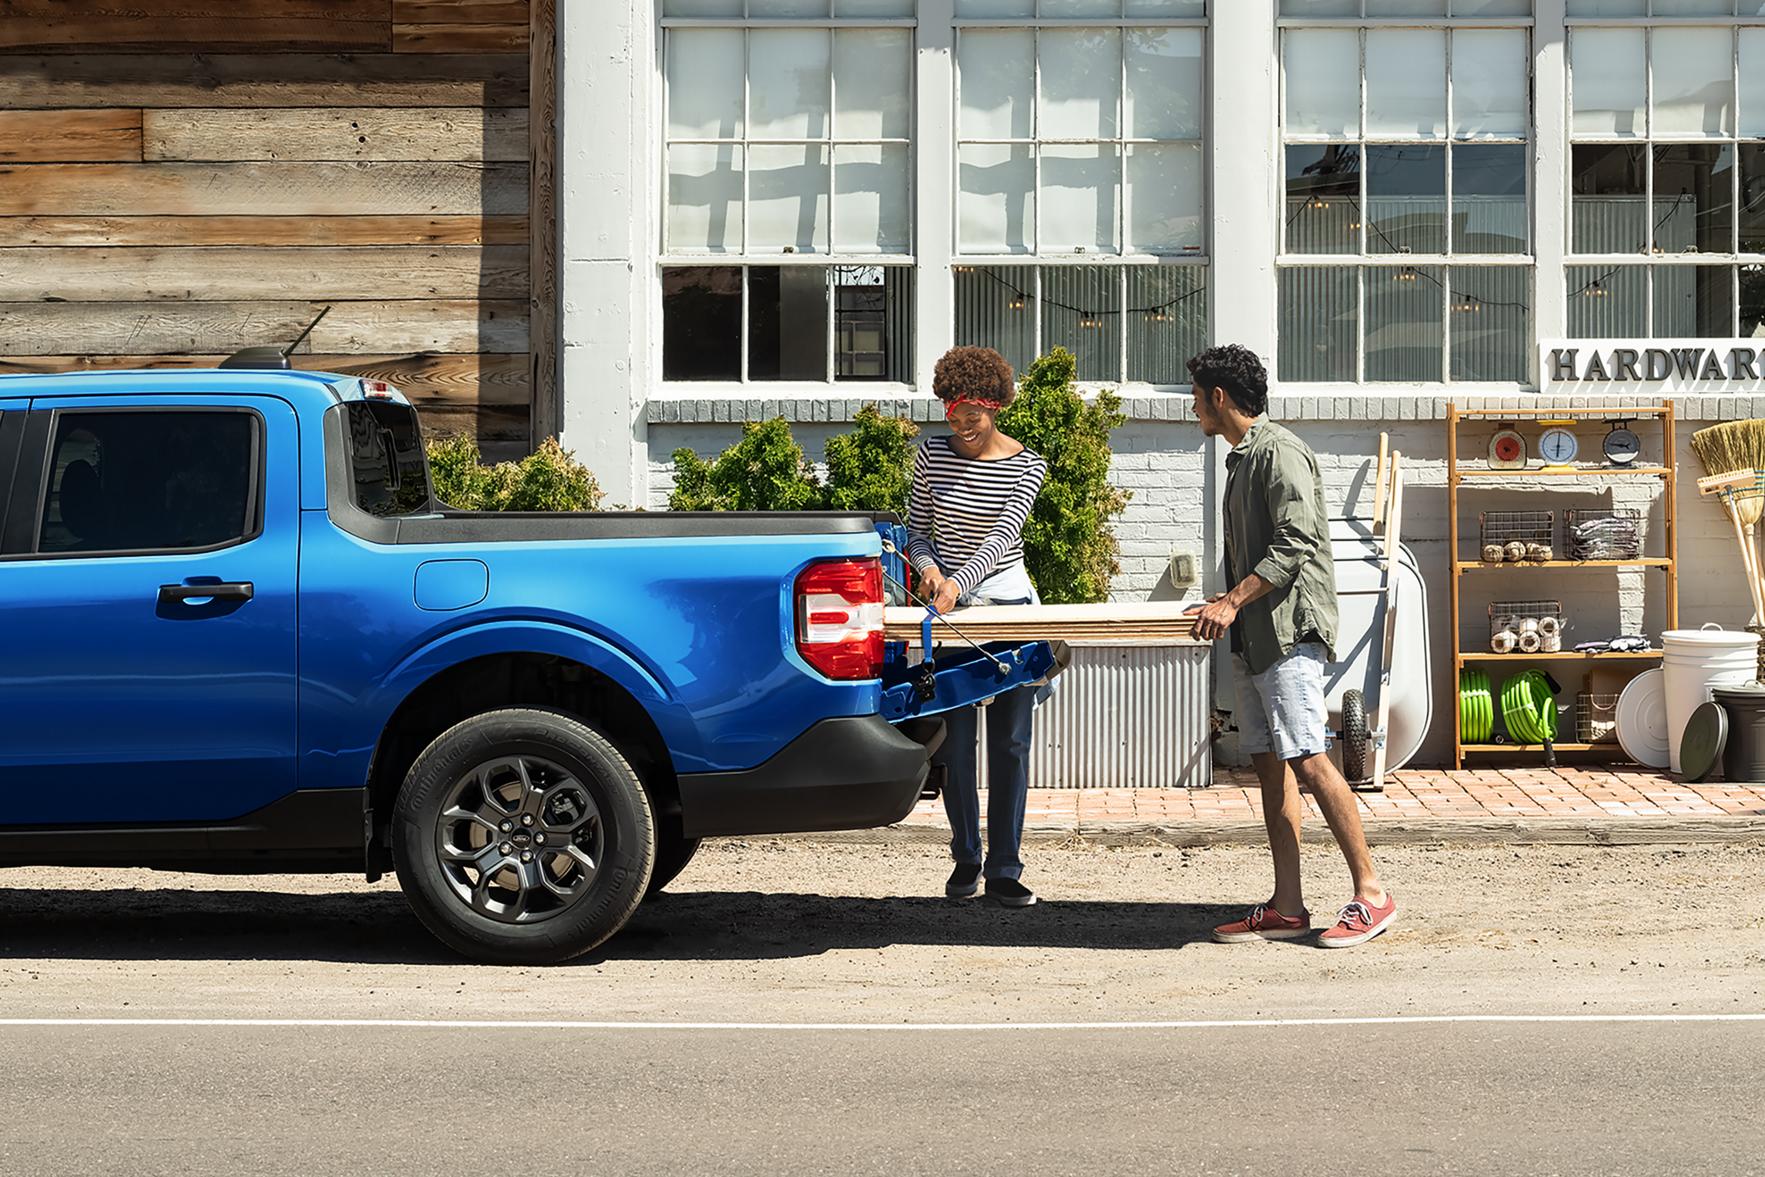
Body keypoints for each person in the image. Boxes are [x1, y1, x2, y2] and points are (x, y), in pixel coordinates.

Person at [1186, 344, 1398, 948]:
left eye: (1197, 395)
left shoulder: (1279, 452)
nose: (1193, 406)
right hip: (1256, 635)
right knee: (1269, 764)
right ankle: (1287, 905)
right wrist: (1224, 605)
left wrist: (1229, 602)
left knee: (1307, 756)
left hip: (1289, 632)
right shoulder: (1241, 460)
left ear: (1218, 398)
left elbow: (1294, 543)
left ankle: (1372, 893)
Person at [906, 346, 1048, 908]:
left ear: (995, 409)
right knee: (956, 742)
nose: (962, 428)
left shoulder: (1026, 463)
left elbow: (1004, 537)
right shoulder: (931, 455)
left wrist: (958, 583)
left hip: (1006, 605)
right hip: (950, 612)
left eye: (973, 418)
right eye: (952, 415)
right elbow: (917, 532)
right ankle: (966, 858)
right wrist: (930, 569)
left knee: (1011, 741)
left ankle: (1005, 868)